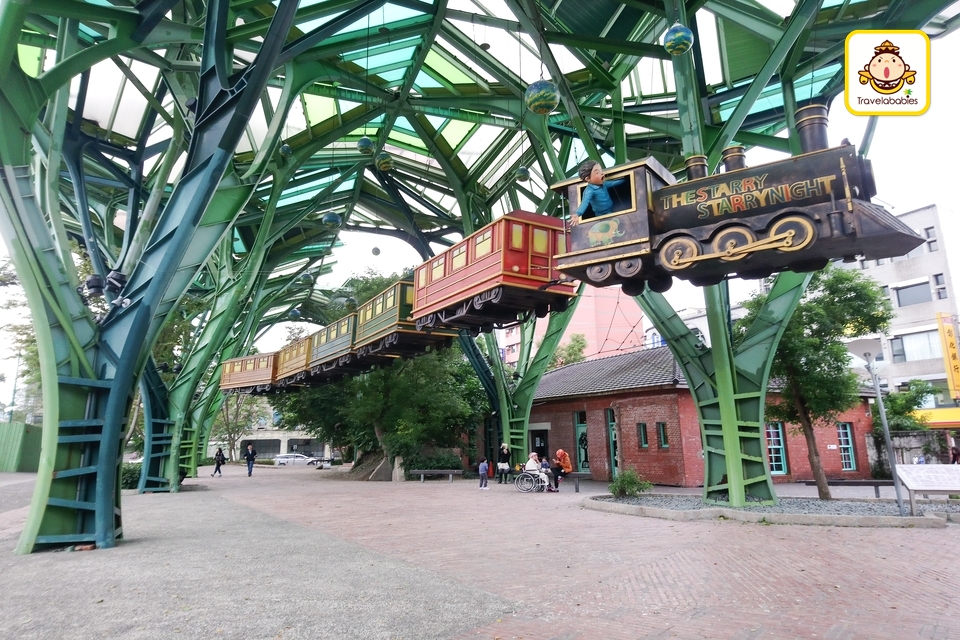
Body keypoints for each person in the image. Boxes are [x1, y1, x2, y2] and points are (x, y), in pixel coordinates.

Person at [574, 160, 625, 224]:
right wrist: (578, 214)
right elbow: (585, 202)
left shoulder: (604, 184)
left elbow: (613, 183)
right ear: (588, 179)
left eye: (601, 170)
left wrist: (624, 179)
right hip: (600, 215)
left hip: (611, 209)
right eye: (597, 172)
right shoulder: (589, 191)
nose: (601, 173)